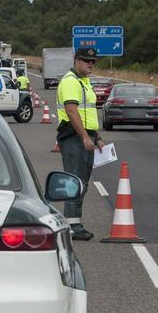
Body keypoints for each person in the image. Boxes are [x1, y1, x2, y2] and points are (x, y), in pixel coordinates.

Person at [56, 47, 105, 240]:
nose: (91, 64)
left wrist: (97, 136)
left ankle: (75, 223)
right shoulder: (70, 82)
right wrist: (85, 137)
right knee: (74, 182)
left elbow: (88, 113)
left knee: (81, 182)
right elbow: (71, 111)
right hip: (74, 137)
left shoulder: (84, 82)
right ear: (76, 61)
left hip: (86, 135)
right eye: (87, 61)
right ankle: (71, 226)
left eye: (93, 61)